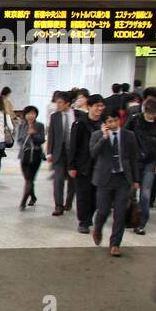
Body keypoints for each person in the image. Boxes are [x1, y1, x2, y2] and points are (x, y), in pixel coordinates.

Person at [89, 110, 140, 257]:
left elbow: (134, 159)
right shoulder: (97, 135)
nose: (113, 124)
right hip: (104, 179)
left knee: (120, 213)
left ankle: (115, 244)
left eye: (115, 121)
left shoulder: (129, 135)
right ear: (104, 123)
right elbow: (93, 154)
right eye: (110, 121)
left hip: (123, 179)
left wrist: (136, 180)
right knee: (103, 210)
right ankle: (97, 228)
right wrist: (104, 138)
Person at [126, 98, 156, 235]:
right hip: (133, 162)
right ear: (144, 110)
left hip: (150, 163)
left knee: (145, 194)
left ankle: (142, 223)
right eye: (149, 113)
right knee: (129, 193)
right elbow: (124, 136)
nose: (151, 116)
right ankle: (127, 219)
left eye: (154, 114)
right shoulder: (134, 120)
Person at [69, 95, 105, 234]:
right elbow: (73, 146)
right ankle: (83, 221)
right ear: (89, 106)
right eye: (97, 106)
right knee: (83, 195)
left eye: (102, 106)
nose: (100, 109)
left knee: (96, 195)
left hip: (100, 166)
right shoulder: (80, 123)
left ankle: (88, 217)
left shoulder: (104, 124)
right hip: (83, 165)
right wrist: (71, 166)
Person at [45, 91, 75, 215]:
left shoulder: (78, 115)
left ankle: (68, 202)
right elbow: (51, 135)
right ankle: (59, 206)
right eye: (57, 102)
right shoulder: (55, 116)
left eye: (60, 102)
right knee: (58, 180)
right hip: (59, 153)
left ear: (68, 103)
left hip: (74, 154)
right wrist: (49, 152)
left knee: (73, 181)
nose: (57, 105)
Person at [15, 105, 45, 211]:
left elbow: (41, 140)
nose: (31, 116)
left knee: (29, 178)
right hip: (25, 154)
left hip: (36, 154)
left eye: (33, 113)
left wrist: (34, 135)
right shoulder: (22, 125)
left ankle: (23, 202)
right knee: (27, 178)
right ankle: (33, 196)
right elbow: (19, 140)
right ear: (25, 115)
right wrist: (27, 137)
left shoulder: (40, 125)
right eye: (28, 113)